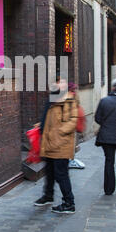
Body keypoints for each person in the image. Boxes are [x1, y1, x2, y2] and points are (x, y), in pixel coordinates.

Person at [34, 76, 78, 214]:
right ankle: (48, 196)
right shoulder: (52, 100)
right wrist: (41, 126)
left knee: (61, 174)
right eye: (57, 82)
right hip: (49, 144)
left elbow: (72, 122)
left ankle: (69, 203)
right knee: (50, 172)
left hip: (60, 145)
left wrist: (58, 134)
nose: (58, 84)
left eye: (61, 82)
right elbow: (49, 119)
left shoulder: (69, 100)